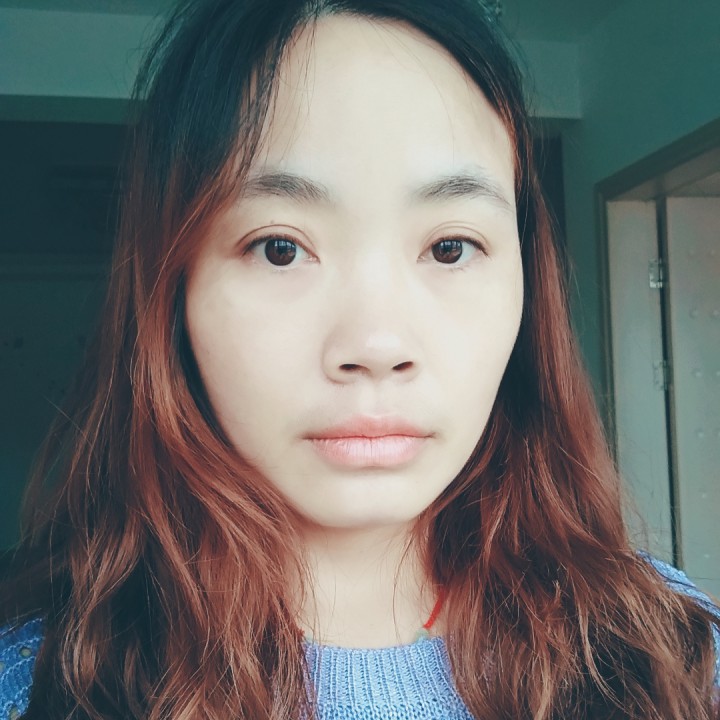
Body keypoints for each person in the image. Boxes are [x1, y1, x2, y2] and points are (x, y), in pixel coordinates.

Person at [1, 0, 718, 718]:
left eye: (450, 248)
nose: (377, 347)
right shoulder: (41, 683)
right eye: (280, 248)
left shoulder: (674, 656)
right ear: (174, 291)